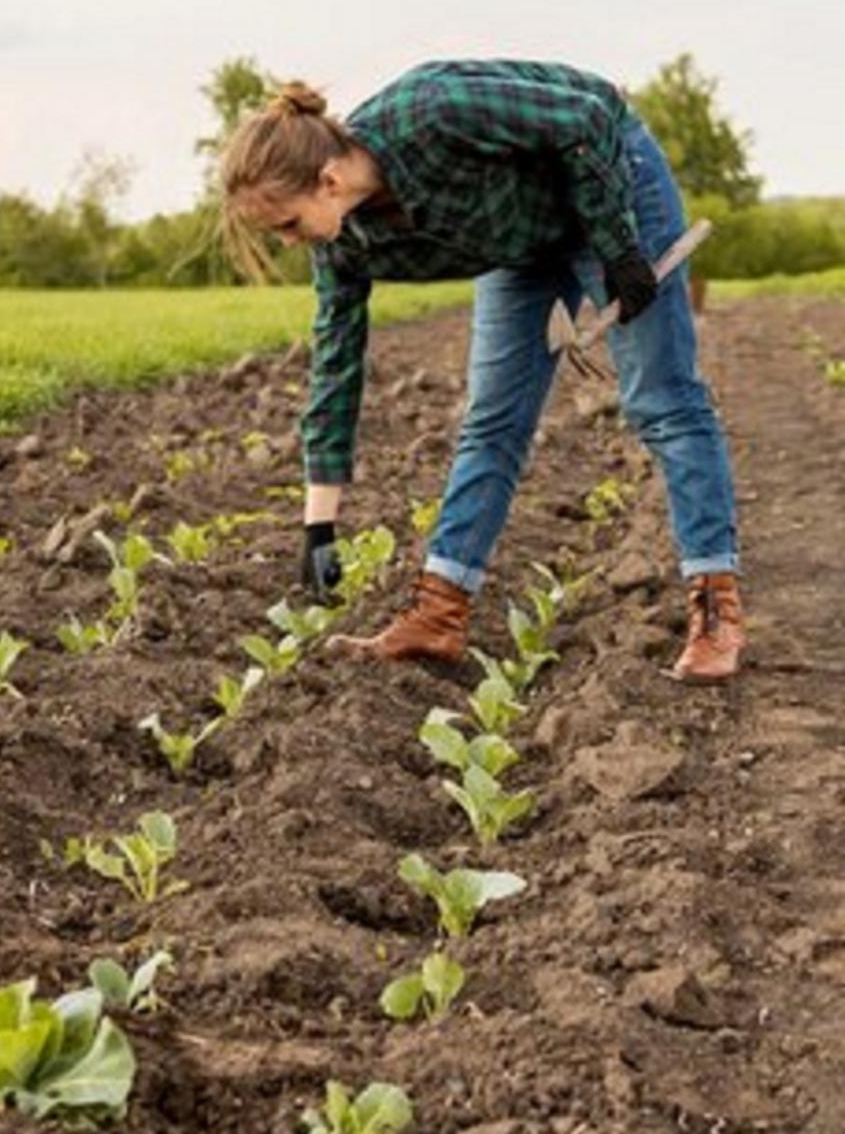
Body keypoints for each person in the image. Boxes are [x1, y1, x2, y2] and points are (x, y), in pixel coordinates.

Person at [219, 58, 745, 683]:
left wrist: (618, 247)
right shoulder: (345, 245)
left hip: (608, 175)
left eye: (287, 224)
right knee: (491, 421)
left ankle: (716, 610)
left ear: (327, 180)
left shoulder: (432, 111)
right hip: (519, 238)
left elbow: (588, 116)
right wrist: (318, 525)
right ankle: (438, 615)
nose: (289, 242)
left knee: (662, 401)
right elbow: (335, 365)